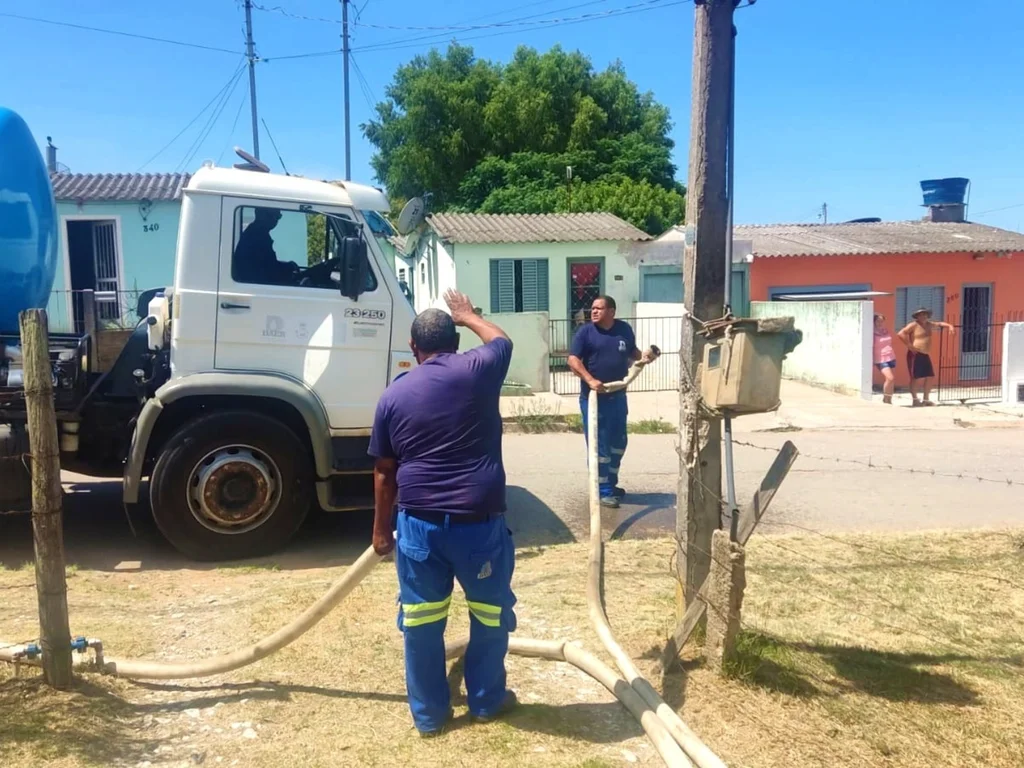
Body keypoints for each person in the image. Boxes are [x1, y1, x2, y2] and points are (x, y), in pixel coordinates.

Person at [368, 288, 518, 737]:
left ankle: (430, 717)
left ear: (414, 349)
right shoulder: (478, 369)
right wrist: (469, 314)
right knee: (489, 615)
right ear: (454, 343)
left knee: (421, 622)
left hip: (419, 528)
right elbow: (502, 341)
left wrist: (381, 532)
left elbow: (383, 471)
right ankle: (487, 703)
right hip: (479, 525)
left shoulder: (394, 395)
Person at [567, 295, 654, 508]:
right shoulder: (586, 332)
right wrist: (590, 380)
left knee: (619, 443)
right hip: (594, 398)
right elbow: (573, 359)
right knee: (600, 446)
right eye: (593, 308)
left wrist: (643, 357)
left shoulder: (623, 329)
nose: (594, 312)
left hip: (618, 396)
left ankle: (611, 485)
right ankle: (602, 490)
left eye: (599, 308)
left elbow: (632, 352)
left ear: (612, 312)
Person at [897, 307, 955, 407]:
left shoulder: (929, 324)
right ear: (917, 316)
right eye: (921, 314)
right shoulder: (913, 325)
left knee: (930, 376)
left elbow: (940, 324)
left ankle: (926, 399)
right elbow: (901, 333)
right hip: (915, 353)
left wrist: (950, 326)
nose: (923, 316)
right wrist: (910, 346)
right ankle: (915, 399)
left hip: (925, 354)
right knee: (915, 377)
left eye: (925, 314)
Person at [232, 207, 298, 285]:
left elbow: (268, 263)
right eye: (274, 215)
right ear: (261, 214)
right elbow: (270, 269)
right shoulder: (257, 236)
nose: (276, 220)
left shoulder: (257, 232)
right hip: (256, 286)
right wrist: (289, 267)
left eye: (278, 217)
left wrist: (288, 266)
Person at [873, 313, 897, 404]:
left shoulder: (885, 330)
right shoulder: (871, 332)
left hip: (891, 356)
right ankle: (886, 399)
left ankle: (889, 400)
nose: (880, 323)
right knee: (890, 378)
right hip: (880, 358)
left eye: (882, 321)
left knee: (891, 380)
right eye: (878, 321)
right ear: (874, 321)